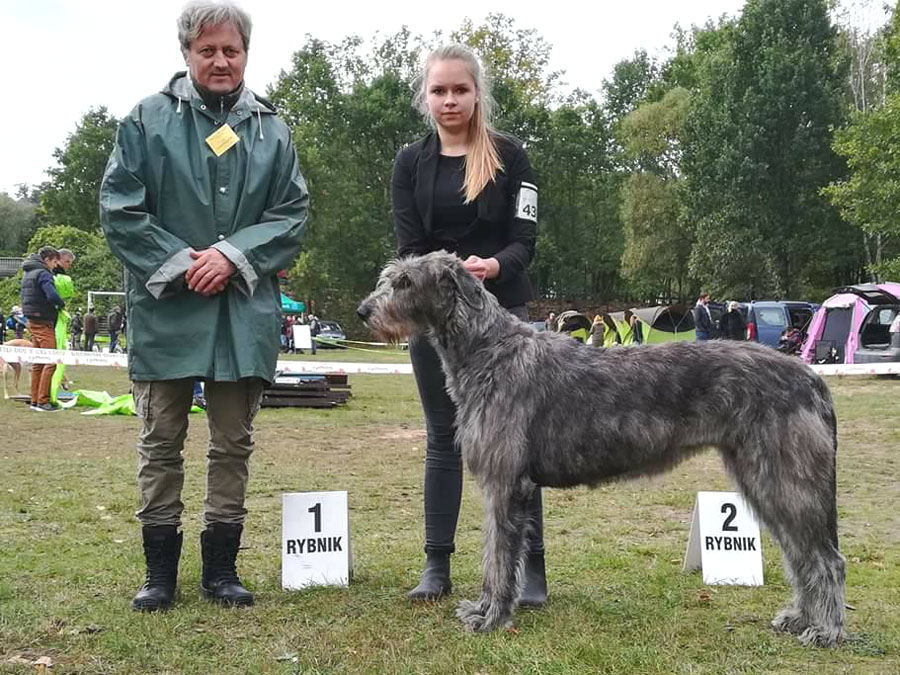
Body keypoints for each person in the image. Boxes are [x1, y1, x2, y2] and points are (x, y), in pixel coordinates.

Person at [99, 0, 308, 612]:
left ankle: (222, 571)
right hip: (167, 311)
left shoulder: (275, 130)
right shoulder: (145, 120)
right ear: (186, 53)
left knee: (233, 444)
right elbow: (119, 208)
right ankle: (158, 574)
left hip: (243, 316)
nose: (220, 61)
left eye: (231, 50)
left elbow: (291, 215)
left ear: (246, 53)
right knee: (160, 441)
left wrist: (233, 256)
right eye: (207, 50)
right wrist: (185, 263)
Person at [392, 44, 547, 605]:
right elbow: (411, 249)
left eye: (460, 89)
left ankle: (530, 573)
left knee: (518, 448)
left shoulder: (510, 155)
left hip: (506, 322)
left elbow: (524, 240)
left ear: (477, 93)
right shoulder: (410, 162)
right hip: (435, 323)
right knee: (442, 438)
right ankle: (437, 565)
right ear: (425, 97)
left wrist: (495, 265)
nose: (449, 99)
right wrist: (452, 273)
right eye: (439, 90)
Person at [19, 246, 65, 411]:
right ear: (47, 260)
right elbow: (51, 295)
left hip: (31, 319)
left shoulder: (28, 272)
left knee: (38, 361)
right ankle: (43, 401)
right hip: (43, 320)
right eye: (54, 262)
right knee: (51, 361)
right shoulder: (44, 273)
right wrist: (61, 304)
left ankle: (35, 399)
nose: (55, 266)